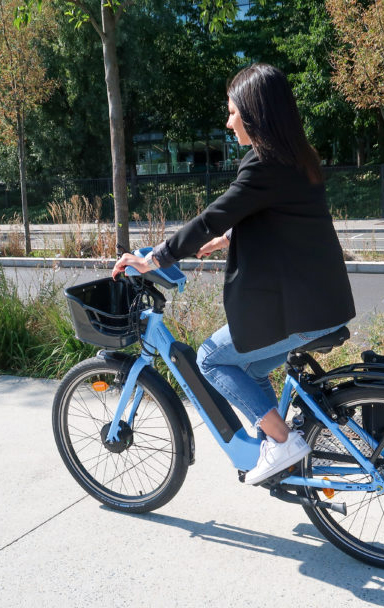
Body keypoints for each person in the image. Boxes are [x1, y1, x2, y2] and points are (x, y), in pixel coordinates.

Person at [113, 63, 355, 486]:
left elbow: (212, 217)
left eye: (232, 112)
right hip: (325, 303)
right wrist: (219, 241)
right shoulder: (298, 159)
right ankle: (281, 442)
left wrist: (155, 259)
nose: (228, 122)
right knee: (253, 369)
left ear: (254, 112)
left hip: (303, 312)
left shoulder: (263, 165)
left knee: (210, 358)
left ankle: (282, 442)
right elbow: (266, 222)